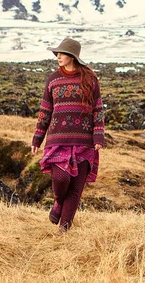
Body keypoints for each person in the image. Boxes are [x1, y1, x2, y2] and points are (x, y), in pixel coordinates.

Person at [31, 37, 105, 232]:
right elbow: (45, 111)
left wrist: (98, 137)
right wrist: (37, 138)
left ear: (72, 56)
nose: (58, 57)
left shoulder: (90, 79)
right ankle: (57, 202)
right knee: (61, 179)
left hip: (84, 142)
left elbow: (98, 109)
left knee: (75, 190)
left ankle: (64, 231)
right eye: (57, 53)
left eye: (62, 53)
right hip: (57, 140)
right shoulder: (53, 79)